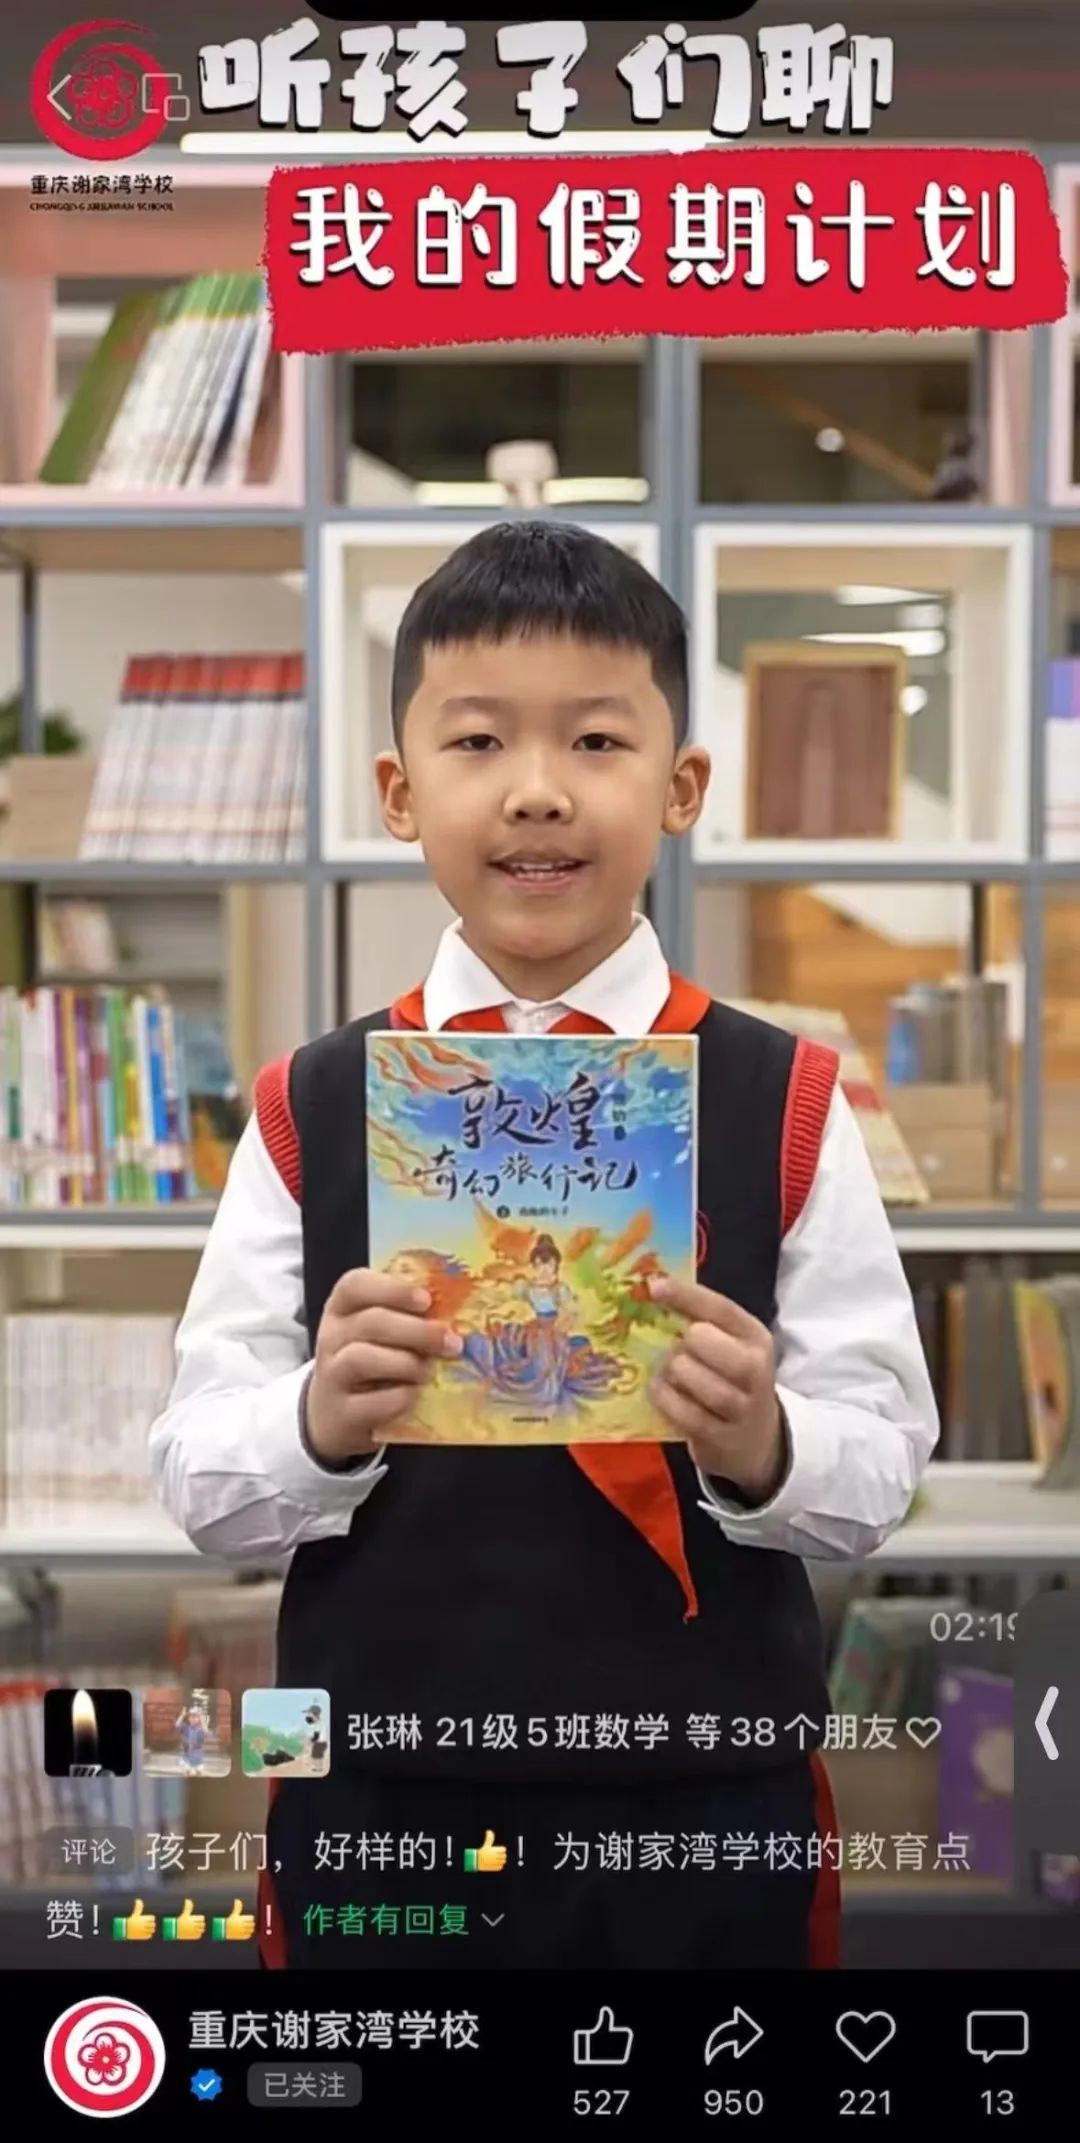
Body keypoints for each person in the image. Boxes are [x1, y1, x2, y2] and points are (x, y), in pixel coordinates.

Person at [150, 521, 938, 1972]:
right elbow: (199, 1478)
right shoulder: (311, 1105)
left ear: (680, 787)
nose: (536, 790)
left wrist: (765, 1441)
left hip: (705, 1810)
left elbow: (884, 1461)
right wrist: (316, 1419)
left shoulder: (787, 1100)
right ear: (399, 791)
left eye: (595, 740)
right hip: (384, 1800)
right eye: (476, 741)